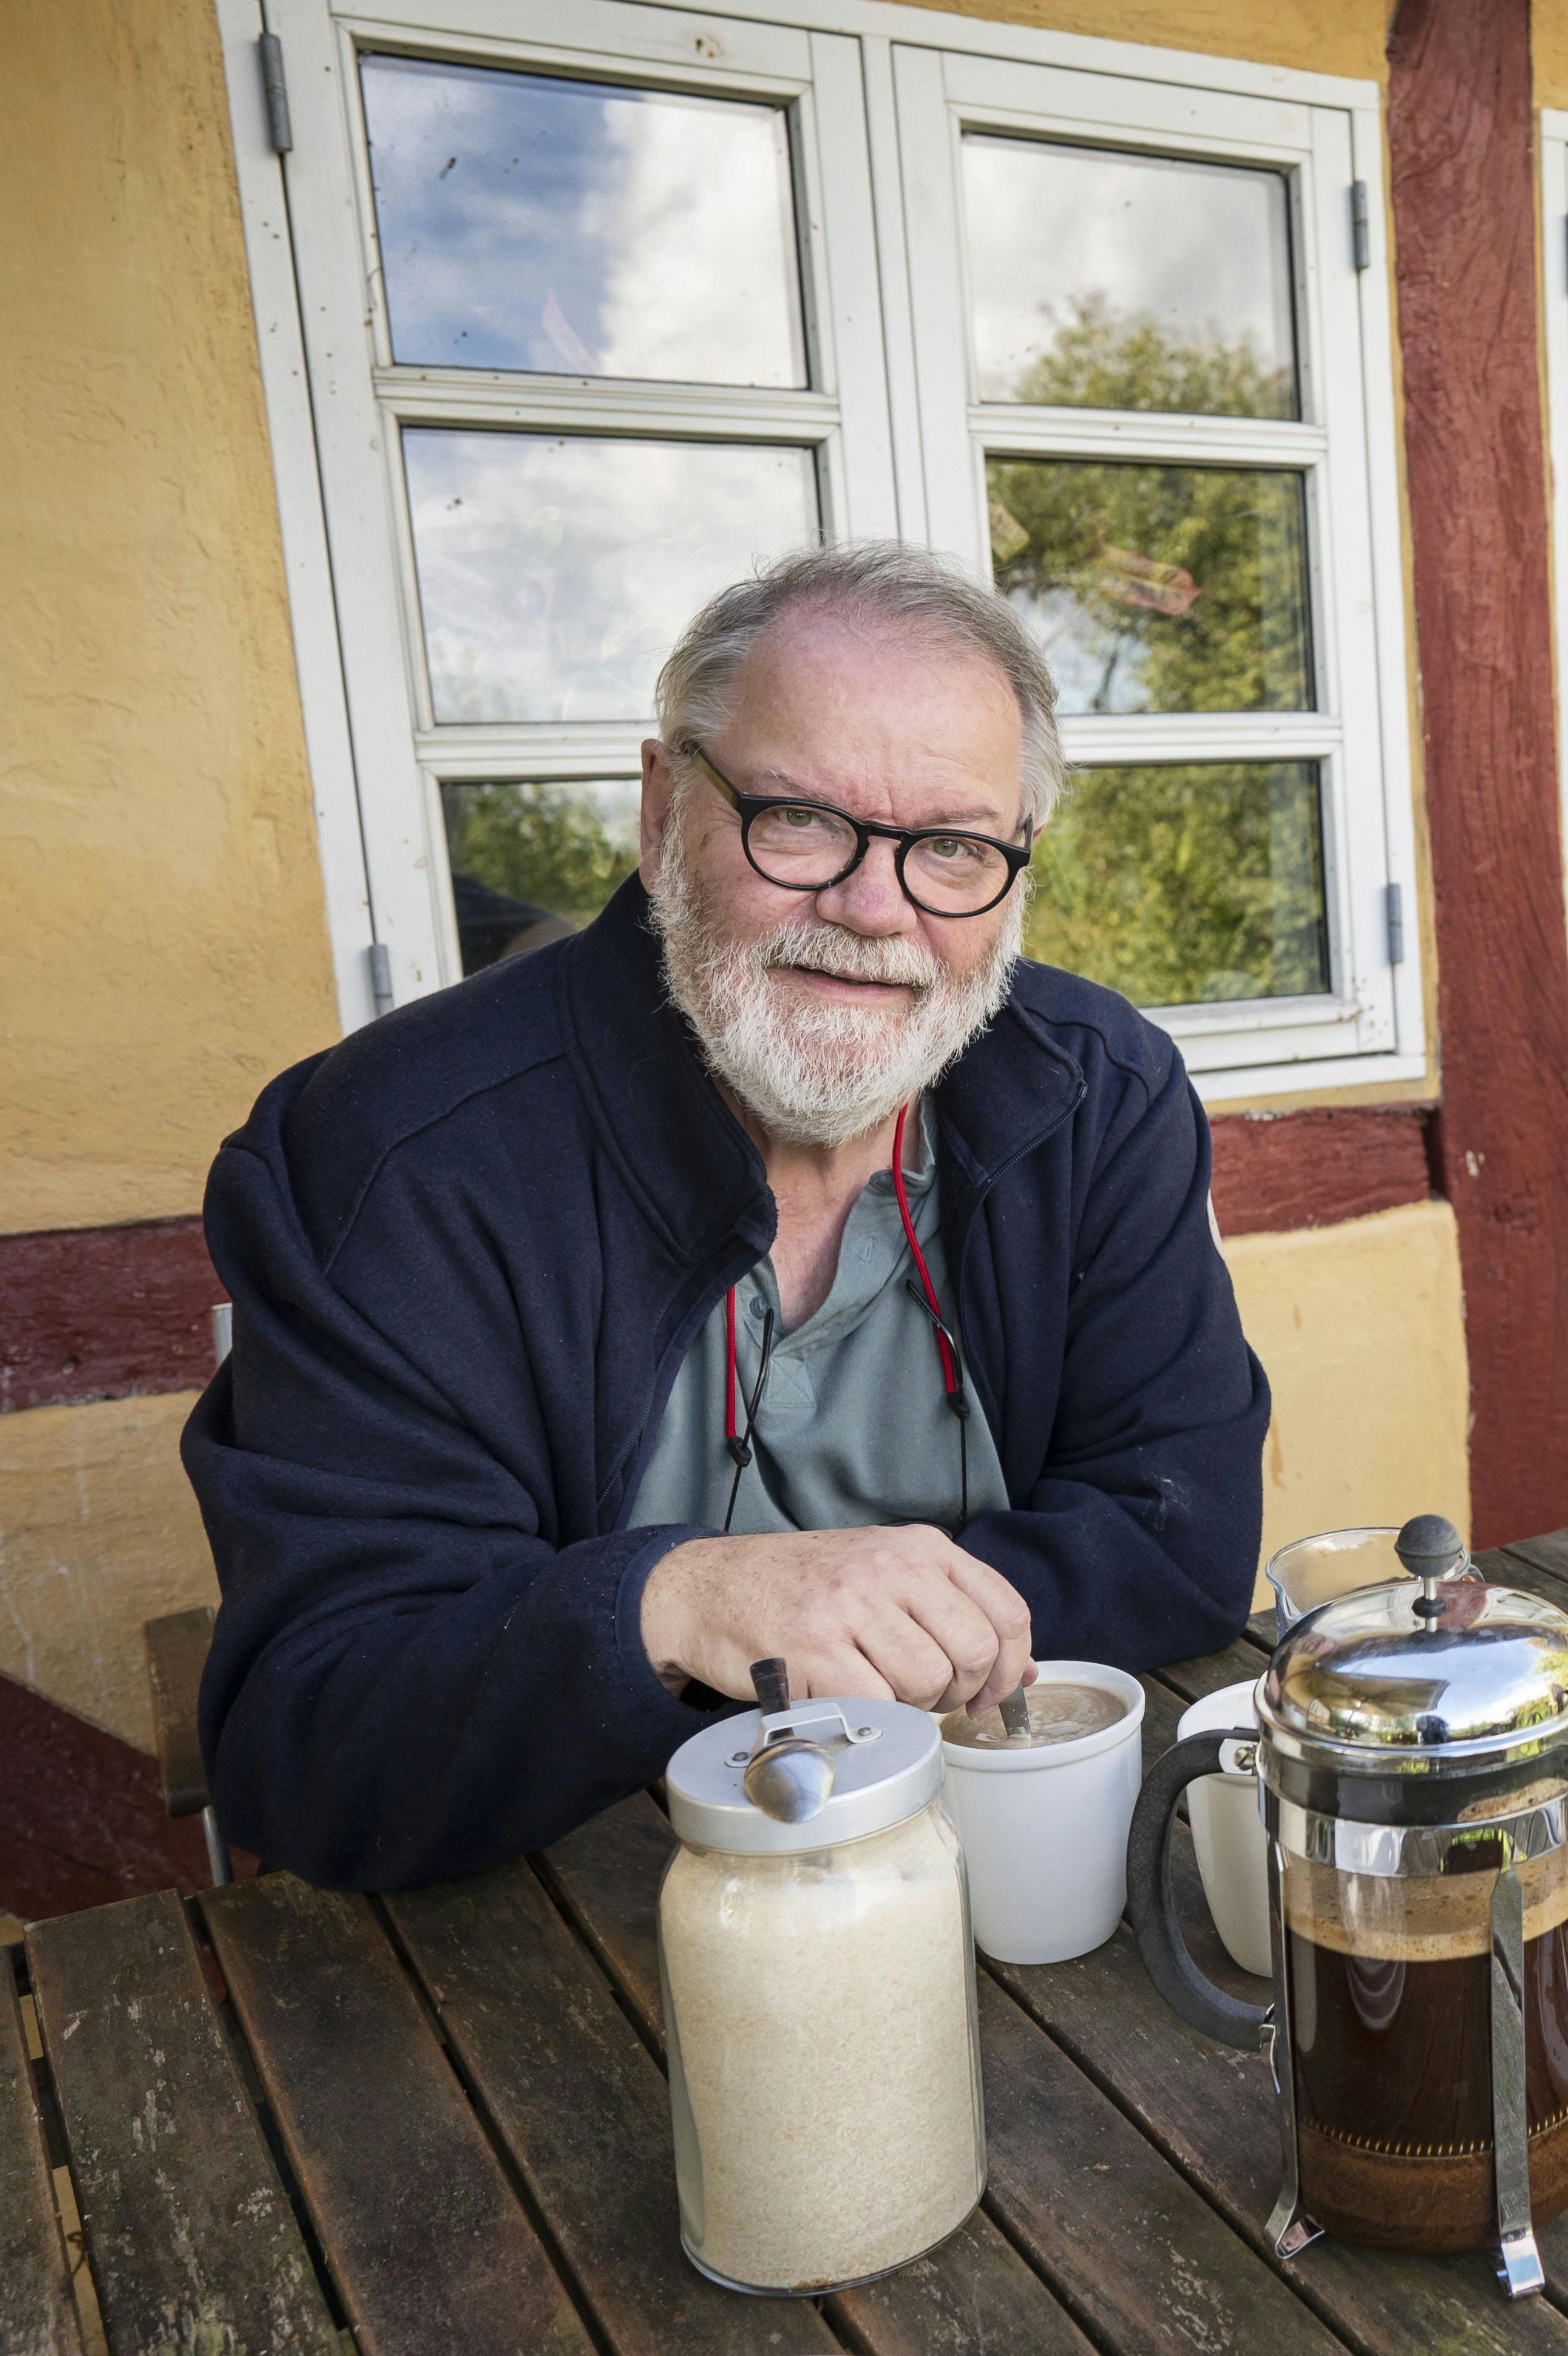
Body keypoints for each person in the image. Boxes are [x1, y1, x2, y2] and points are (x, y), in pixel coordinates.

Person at [186, 542, 1269, 1891]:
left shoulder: (1097, 1096)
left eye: (950, 845)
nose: (875, 908)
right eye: (801, 818)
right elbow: (318, 1745)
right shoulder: (388, 1160)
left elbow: (1183, 1537)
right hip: (577, 1926)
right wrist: (683, 1600)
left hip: (1003, 1872)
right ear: (661, 813)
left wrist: (837, 1621)